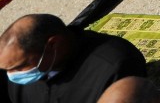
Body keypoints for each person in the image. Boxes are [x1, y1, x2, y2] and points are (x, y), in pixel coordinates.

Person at [0, 14, 146, 102]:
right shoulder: (24, 66)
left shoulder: (114, 67)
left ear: (53, 45)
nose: (13, 74)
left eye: (20, 66)